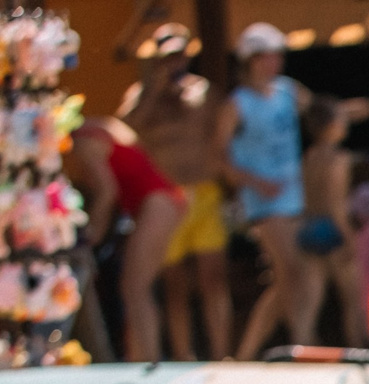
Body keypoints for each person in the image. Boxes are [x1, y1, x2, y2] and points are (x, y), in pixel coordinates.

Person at [120, 25, 230, 360]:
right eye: (167, 56)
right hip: (167, 199)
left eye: (179, 54)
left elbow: (221, 138)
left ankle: (223, 353)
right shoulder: (140, 95)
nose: (174, 61)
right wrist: (155, 92)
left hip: (205, 192)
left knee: (213, 277)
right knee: (174, 284)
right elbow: (126, 131)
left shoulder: (204, 92)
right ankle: (183, 354)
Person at [227, 21, 324, 356]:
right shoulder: (237, 104)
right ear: (250, 60)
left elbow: (326, 114)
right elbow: (218, 157)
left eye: (277, 56)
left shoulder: (288, 92)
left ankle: (251, 351)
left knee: (289, 279)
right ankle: (302, 344)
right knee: (291, 272)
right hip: (263, 202)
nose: (274, 63)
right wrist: (255, 182)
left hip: (294, 197)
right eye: (266, 57)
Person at [67, 113, 187, 361]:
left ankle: (147, 359)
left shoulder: (83, 140)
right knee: (135, 288)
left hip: (157, 205)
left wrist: (92, 236)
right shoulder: (103, 126)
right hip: (163, 203)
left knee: (135, 288)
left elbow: (107, 191)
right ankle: (142, 356)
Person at [299, 90, 369, 346]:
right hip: (334, 230)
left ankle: (300, 345)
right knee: (353, 299)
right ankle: (358, 348)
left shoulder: (309, 157)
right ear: (332, 126)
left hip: (309, 228)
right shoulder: (339, 159)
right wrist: (349, 239)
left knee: (309, 302)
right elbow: (335, 206)